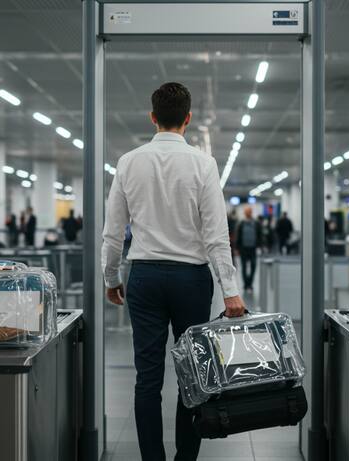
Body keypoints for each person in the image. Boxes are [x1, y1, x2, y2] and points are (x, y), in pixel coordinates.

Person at [101, 82, 245, 461]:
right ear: (188, 118)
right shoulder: (203, 164)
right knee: (193, 376)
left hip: (144, 278)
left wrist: (111, 277)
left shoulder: (129, 161)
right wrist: (230, 290)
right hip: (190, 281)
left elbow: (114, 231)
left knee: (147, 379)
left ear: (153, 118)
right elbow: (216, 235)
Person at [236, 207, 262, 292]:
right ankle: (246, 284)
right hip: (243, 249)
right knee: (243, 267)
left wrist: (260, 246)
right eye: (247, 212)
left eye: (250, 211)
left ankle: (250, 284)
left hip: (253, 248)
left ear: (251, 212)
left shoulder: (256, 223)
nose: (248, 213)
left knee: (253, 266)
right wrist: (237, 248)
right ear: (244, 213)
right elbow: (238, 236)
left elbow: (259, 235)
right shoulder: (241, 223)